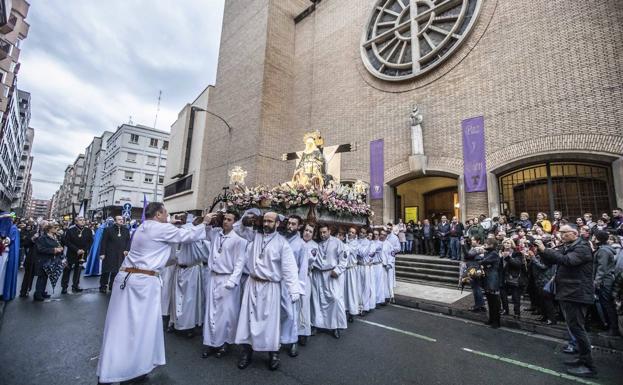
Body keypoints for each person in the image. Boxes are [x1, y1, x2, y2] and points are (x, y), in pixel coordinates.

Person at [96, 203, 212, 384]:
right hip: (141, 284)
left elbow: (166, 235)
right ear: (158, 214)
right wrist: (204, 222)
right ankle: (120, 372)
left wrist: (171, 222)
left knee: (128, 327)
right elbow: (187, 235)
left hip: (128, 278)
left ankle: (133, 368)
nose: (169, 216)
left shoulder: (144, 226)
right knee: (137, 328)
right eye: (166, 213)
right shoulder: (160, 229)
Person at [234, 212, 301, 371]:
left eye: (270, 221)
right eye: (264, 221)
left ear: (277, 224)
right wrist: (245, 219)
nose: (266, 224)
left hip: (271, 288)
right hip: (252, 284)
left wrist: (294, 291)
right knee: (247, 320)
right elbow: (238, 230)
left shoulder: (282, 243)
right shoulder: (254, 236)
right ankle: (246, 353)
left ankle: (273, 354)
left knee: (270, 323)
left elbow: (289, 269)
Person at [534, 225, 597, 378]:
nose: (560, 235)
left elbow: (566, 261)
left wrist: (545, 249)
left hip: (577, 293)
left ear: (575, 233)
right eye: (560, 232)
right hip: (568, 292)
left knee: (578, 329)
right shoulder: (569, 246)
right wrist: (541, 251)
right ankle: (582, 359)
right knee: (574, 327)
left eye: (564, 232)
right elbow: (552, 260)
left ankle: (589, 366)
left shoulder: (582, 248)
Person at [201, 211, 247, 358]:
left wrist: (232, 281)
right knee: (210, 312)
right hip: (213, 277)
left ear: (235, 222)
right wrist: (208, 220)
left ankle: (223, 343)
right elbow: (205, 233)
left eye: (229, 219)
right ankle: (210, 342)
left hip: (227, 279)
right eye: (224, 219)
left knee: (225, 314)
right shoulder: (216, 234)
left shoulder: (239, 240)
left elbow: (240, 263)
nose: (225, 221)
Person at [171, 215, 210, 337]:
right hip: (178, 269)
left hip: (191, 270)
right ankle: (175, 322)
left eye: (183, 219)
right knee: (176, 299)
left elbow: (204, 254)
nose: (180, 220)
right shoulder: (180, 231)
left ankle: (188, 326)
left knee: (189, 300)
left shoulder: (193, 234)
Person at [310, 223, 347, 340]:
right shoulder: (317, 244)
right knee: (317, 300)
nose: (322, 235)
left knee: (334, 299)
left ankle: (335, 327)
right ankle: (316, 324)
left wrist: (338, 270)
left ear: (329, 231)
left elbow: (344, 258)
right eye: (320, 233)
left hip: (331, 274)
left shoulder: (337, 242)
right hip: (318, 274)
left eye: (324, 232)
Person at [280, 215, 308, 357]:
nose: (290, 226)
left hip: (292, 283)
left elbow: (303, 269)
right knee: (278, 313)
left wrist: (299, 289)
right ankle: (277, 340)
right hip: (278, 282)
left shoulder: (301, 245)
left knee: (292, 315)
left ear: (299, 226)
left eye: (293, 224)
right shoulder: (280, 239)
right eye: (289, 223)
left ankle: (293, 341)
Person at [592, 230, 620, 337]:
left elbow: (601, 269)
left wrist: (596, 282)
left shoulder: (603, 251)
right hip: (606, 280)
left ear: (598, 239)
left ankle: (613, 329)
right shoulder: (603, 249)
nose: (592, 238)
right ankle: (611, 327)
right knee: (607, 304)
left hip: (605, 281)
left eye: (594, 237)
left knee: (607, 305)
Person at [98, 216, 131, 293]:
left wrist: (127, 249)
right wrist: (102, 253)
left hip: (120, 254)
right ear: (115, 221)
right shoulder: (108, 230)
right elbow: (103, 242)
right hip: (109, 253)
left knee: (116, 271)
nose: (121, 221)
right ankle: (103, 286)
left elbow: (128, 241)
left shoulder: (126, 230)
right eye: (119, 219)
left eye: (122, 220)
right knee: (106, 271)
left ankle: (112, 286)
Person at [61, 216, 93, 294]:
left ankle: (75, 286)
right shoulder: (70, 230)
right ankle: (64, 287)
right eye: (80, 220)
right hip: (72, 253)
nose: (82, 221)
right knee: (67, 270)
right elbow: (67, 242)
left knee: (78, 270)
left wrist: (84, 250)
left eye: (83, 220)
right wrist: (77, 250)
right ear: (76, 222)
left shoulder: (88, 231)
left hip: (82, 254)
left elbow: (90, 242)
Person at [33, 223, 64, 301]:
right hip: (43, 259)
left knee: (46, 276)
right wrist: (54, 250)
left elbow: (57, 245)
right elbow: (40, 249)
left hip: (51, 260)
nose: (57, 229)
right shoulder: (42, 238)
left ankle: (42, 292)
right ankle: (37, 294)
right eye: (55, 227)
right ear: (49, 229)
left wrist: (59, 248)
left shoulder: (55, 237)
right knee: (41, 277)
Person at [298, 223, 318, 345]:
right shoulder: (296, 242)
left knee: (304, 305)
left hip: (305, 277)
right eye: (306, 230)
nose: (307, 233)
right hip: (294, 277)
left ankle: (304, 332)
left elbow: (310, 259)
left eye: (310, 231)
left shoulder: (314, 246)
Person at [500, 239, 525, 319]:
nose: (506, 244)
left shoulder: (517, 253)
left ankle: (517, 313)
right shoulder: (500, 252)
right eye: (505, 243)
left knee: (516, 297)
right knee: (503, 295)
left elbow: (517, 264)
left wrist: (508, 257)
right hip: (503, 277)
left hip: (513, 278)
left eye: (508, 243)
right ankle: (505, 309)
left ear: (512, 244)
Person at [480, 238, 501, 328]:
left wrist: (479, 258)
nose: (484, 244)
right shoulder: (488, 253)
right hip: (487, 278)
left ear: (492, 245)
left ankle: (496, 322)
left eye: (486, 243)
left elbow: (483, 261)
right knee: (490, 301)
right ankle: (491, 319)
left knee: (495, 302)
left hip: (493, 279)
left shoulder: (494, 254)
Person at [344, 226, 361, 323]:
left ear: (355, 235)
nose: (350, 233)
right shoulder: (345, 242)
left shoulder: (355, 244)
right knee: (344, 291)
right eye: (349, 231)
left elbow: (348, 250)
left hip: (351, 270)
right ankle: (345, 310)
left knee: (351, 290)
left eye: (353, 232)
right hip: (344, 270)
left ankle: (352, 312)